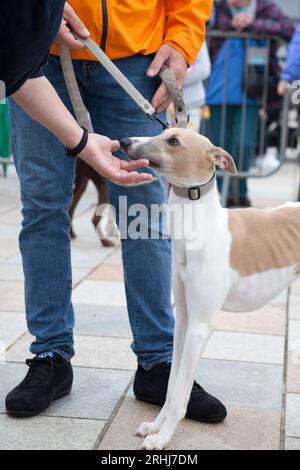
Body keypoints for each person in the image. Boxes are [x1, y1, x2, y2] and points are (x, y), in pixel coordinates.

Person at [5, 0, 227, 424]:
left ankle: (159, 362)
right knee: (42, 208)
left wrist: (181, 41)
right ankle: (49, 355)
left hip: (134, 58)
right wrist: (37, 15)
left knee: (142, 214)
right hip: (37, 51)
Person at [0, 1, 152, 186]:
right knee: (42, 189)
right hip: (44, 46)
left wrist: (83, 143)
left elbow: (20, 75)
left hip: (133, 48)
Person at [206, 0, 294, 207]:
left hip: (252, 92)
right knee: (219, 144)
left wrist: (253, 24)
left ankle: (240, 190)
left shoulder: (265, 7)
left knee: (244, 144)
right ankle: (220, 192)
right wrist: (233, 23)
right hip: (218, 89)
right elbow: (203, 25)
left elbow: (288, 29)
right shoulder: (216, 6)